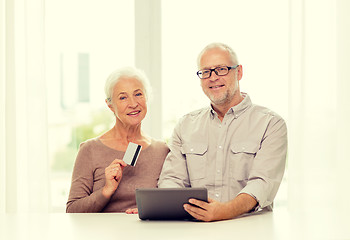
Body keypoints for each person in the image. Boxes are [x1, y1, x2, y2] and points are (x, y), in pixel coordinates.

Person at [158, 42, 288, 222]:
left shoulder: (271, 123)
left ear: (239, 72)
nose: (213, 77)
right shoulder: (185, 125)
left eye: (221, 69)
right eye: (205, 72)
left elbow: (263, 183)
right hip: (195, 230)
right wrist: (162, 206)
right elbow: (171, 180)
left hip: (250, 231)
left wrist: (224, 211)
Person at [66, 67, 169, 213]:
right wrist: (106, 190)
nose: (133, 104)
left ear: (147, 98)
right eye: (123, 97)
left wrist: (153, 210)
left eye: (138, 94)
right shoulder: (89, 150)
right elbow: (73, 211)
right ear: (110, 105)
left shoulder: (162, 150)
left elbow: (173, 203)